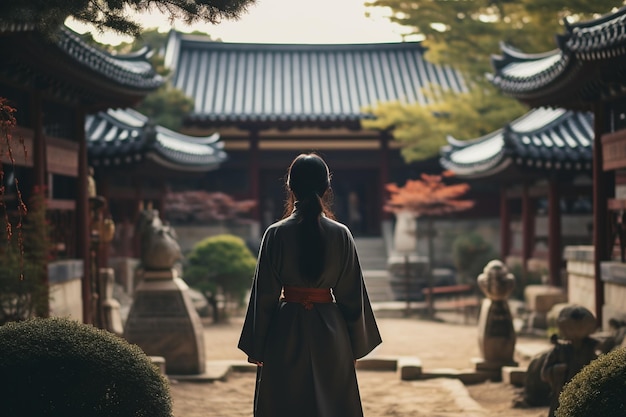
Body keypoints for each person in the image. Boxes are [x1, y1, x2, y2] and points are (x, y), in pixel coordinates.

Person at [238, 153, 382, 417]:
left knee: (286, 404)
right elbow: (352, 296)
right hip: (332, 333)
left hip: (285, 331)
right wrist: (355, 344)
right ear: (327, 188)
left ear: (290, 188)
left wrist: (257, 345)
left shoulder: (275, 233)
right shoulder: (342, 234)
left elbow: (264, 296)